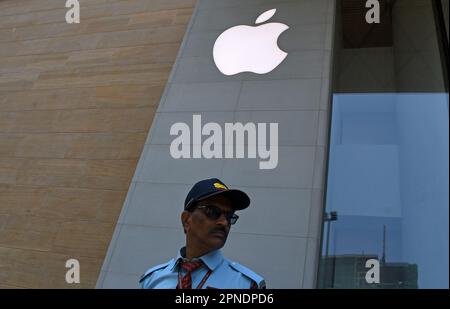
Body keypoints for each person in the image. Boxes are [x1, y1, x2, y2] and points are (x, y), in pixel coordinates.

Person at [139, 178, 266, 289]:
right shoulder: (152, 279)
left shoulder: (247, 285)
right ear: (186, 220)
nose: (224, 222)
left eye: (229, 216)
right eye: (212, 212)